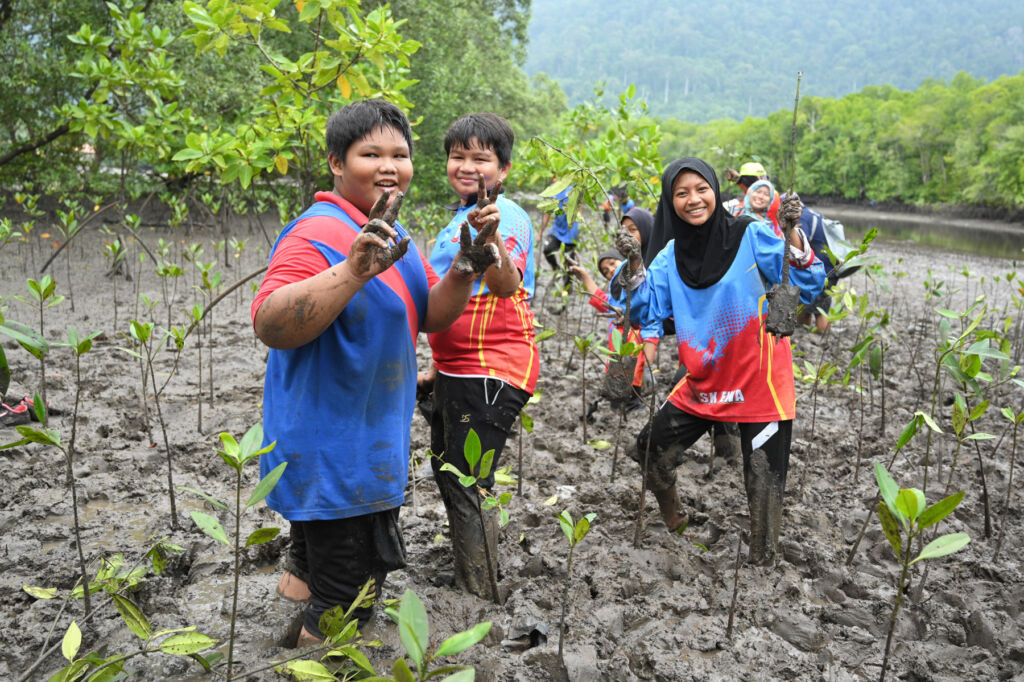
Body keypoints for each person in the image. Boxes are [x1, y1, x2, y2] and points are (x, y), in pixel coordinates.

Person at [251, 99, 498, 646]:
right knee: (348, 599)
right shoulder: (317, 231)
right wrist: (354, 270)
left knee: (315, 569)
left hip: (358, 445)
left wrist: (466, 267)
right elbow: (270, 322)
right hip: (332, 450)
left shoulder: (390, 232)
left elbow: (428, 315)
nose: (389, 166)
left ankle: (274, 641)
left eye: (400, 154)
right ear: (337, 162)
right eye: (371, 154)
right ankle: (312, 659)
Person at [614, 158, 824, 565]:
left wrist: (792, 230)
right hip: (703, 380)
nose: (693, 200)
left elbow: (807, 279)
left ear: (715, 190)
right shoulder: (671, 256)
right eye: (681, 193)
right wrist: (635, 263)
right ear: (669, 202)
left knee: (763, 481)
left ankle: (763, 562)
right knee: (650, 449)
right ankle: (675, 518)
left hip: (759, 380)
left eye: (701, 189)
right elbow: (645, 311)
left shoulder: (750, 234)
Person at [420, 112, 538, 600]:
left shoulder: (502, 216)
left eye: (481, 158)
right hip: (457, 367)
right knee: (450, 471)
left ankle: (477, 595)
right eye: (458, 156)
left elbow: (504, 283)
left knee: (469, 480)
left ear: (503, 169)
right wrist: (434, 364)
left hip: (491, 368)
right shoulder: (457, 219)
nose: (467, 166)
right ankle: (474, 577)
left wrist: (490, 247)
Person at [570, 208, 659, 412]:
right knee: (617, 399)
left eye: (613, 264)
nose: (610, 270)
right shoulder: (617, 297)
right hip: (618, 363)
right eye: (605, 271)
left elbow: (652, 322)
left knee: (632, 398)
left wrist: (649, 362)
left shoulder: (649, 277)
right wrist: (584, 277)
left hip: (636, 360)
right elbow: (601, 298)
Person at [539, 184, 579, 285]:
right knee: (547, 250)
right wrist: (540, 231)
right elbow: (547, 213)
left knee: (568, 260)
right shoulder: (552, 192)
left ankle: (568, 287)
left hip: (571, 231)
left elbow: (579, 207)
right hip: (557, 229)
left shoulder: (572, 189)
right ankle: (557, 271)